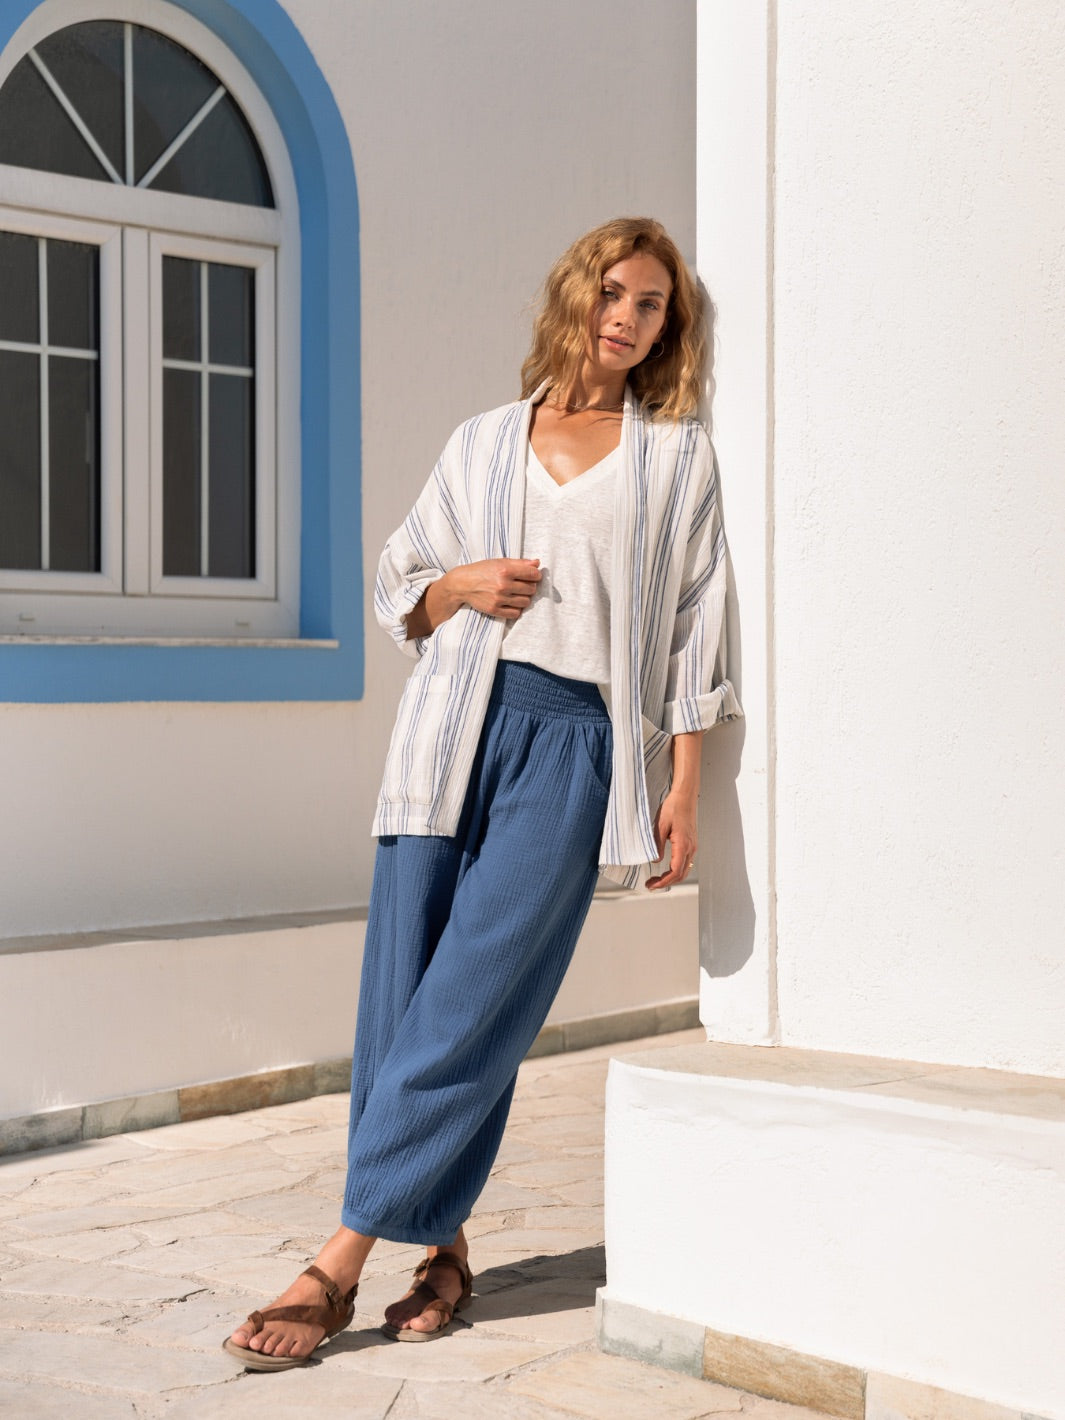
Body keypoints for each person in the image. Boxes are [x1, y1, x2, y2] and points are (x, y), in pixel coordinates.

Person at [223, 216, 740, 1370]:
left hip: (574, 747)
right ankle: (444, 1246)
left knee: (474, 1004)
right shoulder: (484, 441)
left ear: (669, 327)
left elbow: (699, 624)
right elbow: (396, 584)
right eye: (614, 290)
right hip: (450, 730)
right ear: (577, 295)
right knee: (406, 1003)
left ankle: (337, 1261)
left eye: (653, 304)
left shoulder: (674, 455)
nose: (629, 316)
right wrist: (459, 582)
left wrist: (686, 781)